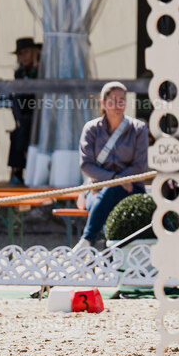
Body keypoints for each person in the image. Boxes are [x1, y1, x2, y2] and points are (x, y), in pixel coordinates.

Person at [72, 82, 149, 251]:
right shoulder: (91, 129)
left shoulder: (138, 128)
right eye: (113, 101)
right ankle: (104, 253)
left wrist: (120, 181)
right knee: (108, 193)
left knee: (111, 191)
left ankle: (87, 241)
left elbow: (140, 165)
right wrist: (115, 179)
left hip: (131, 189)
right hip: (97, 189)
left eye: (122, 100)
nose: (118, 105)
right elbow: (86, 165)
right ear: (103, 103)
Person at [8, 37, 41, 185]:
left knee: (24, 129)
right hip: (25, 117)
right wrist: (18, 118)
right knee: (18, 131)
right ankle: (19, 173)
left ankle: (18, 172)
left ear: (34, 52)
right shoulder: (19, 73)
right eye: (20, 54)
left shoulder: (42, 70)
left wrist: (36, 64)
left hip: (41, 116)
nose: (23, 57)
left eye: (26, 52)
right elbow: (16, 99)